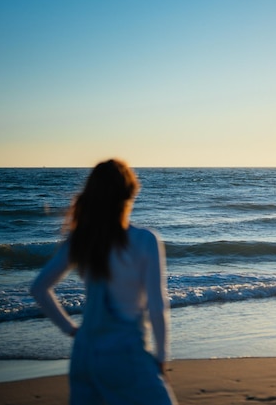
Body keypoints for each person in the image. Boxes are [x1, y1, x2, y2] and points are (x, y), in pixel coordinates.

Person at [31, 159, 177, 405]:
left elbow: (39, 289)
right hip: (125, 352)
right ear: (131, 193)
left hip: (84, 354)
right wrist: (161, 355)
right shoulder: (145, 240)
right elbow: (156, 305)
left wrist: (70, 329)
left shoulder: (82, 239)